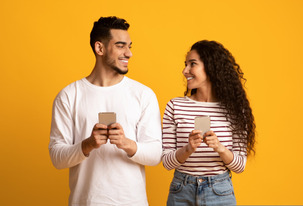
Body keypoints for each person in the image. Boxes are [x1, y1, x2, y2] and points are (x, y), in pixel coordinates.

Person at [49, 16, 162, 206]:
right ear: (99, 48)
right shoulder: (69, 96)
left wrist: (127, 144)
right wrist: (87, 145)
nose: (128, 53)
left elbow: (155, 154)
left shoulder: (143, 94)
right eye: (120, 46)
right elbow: (57, 158)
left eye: (129, 46)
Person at [162, 40, 256, 206]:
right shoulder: (175, 106)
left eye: (192, 64)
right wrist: (187, 149)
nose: (185, 71)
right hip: (181, 191)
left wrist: (219, 148)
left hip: (219, 192)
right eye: (185, 65)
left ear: (211, 67)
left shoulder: (235, 110)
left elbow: (239, 166)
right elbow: (167, 162)